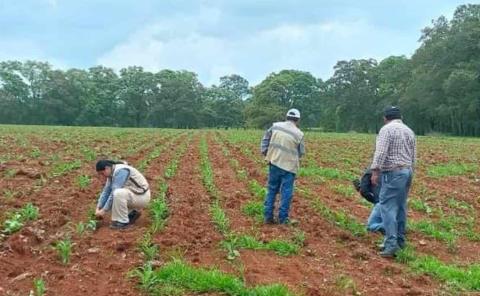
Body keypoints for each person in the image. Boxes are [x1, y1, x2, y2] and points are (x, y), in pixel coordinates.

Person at [371, 106, 416, 257]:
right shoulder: (409, 130)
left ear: (385, 118)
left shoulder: (386, 130)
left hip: (392, 172)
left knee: (387, 206)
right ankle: (400, 241)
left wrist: (375, 170)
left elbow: (381, 151)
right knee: (401, 206)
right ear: (400, 117)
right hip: (407, 171)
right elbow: (413, 155)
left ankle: (390, 244)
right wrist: (411, 174)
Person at [260, 108, 305, 224]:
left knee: (272, 190)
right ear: (298, 119)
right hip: (289, 168)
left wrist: (267, 154)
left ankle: (268, 217)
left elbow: (265, 141)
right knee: (286, 193)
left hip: (274, 163)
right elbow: (301, 152)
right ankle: (283, 219)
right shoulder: (299, 133)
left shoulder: (275, 126)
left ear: (286, 117)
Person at [95, 160, 151, 230]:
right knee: (115, 196)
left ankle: (123, 223)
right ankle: (131, 213)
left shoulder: (121, 171)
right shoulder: (111, 174)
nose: (102, 176)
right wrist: (98, 208)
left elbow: (113, 193)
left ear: (107, 168)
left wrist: (103, 210)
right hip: (134, 194)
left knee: (118, 193)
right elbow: (106, 191)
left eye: (102, 173)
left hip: (142, 196)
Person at [353, 168, 383, 234]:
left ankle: (393, 228)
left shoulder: (370, 171)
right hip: (398, 203)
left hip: (382, 203)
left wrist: (375, 200)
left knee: (371, 226)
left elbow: (364, 191)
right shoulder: (393, 170)